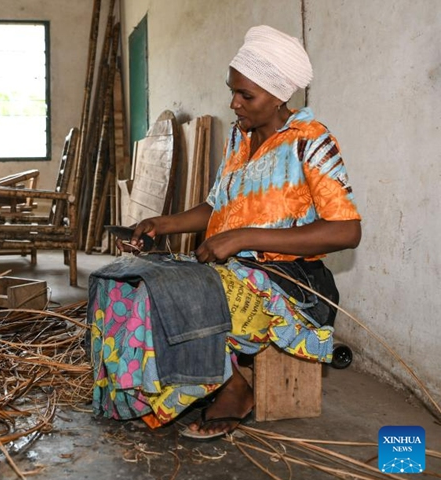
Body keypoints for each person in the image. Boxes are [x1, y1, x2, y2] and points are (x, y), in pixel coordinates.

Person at [88, 25, 361, 440]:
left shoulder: (311, 142)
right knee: (127, 281)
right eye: (233, 90)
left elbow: (346, 231)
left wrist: (244, 237)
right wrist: (165, 223)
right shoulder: (240, 136)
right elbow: (217, 205)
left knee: (178, 292)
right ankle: (168, 387)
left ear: (279, 96)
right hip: (232, 270)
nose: (234, 103)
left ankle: (231, 386)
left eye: (246, 95)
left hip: (290, 283)